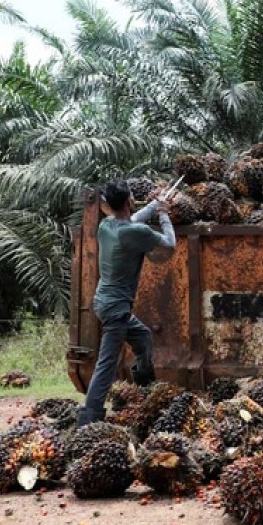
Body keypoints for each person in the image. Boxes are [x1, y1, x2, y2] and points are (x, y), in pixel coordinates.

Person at [76, 179, 177, 428]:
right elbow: (170, 245)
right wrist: (164, 214)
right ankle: (89, 417)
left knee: (142, 337)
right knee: (107, 363)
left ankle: (145, 385)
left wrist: (155, 204)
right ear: (130, 201)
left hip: (103, 302)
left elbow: (130, 222)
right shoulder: (136, 233)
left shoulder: (106, 226)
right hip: (117, 309)